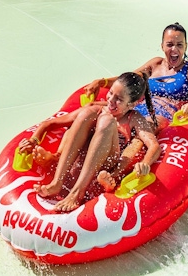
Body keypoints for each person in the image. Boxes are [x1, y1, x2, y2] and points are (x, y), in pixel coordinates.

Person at [85, 22, 188, 189]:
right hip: (137, 108)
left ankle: (114, 175)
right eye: (170, 44)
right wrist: (102, 82)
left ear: (186, 46)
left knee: (145, 129)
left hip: (161, 115)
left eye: (179, 45)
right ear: (162, 45)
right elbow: (129, 81)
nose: (174, 50)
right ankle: (61, 156)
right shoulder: (155, 64)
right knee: (93, 109)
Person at [17, 72, 161, 212]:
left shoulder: (134, 119)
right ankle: (57, 181)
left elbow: (154, 145)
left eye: (119, 99)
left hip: (106, 164)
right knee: (88, 113)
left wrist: (145, 164)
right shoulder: (98, 108)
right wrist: (33, 140)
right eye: (110, 93)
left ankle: (77, 192)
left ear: (132, 104)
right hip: (80, 159)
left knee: (107, 120)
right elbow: (51, 123)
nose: (110, 100)